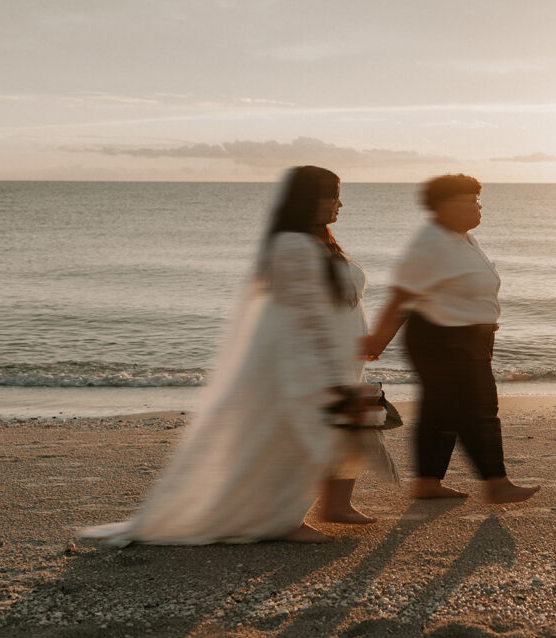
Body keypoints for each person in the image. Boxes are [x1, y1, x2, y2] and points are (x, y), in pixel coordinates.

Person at [80, 166, 392, 546]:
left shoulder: (317, 240)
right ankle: (283, 519)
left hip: (341, 355)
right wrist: (324, 369)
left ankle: (329, 507)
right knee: (299, 437)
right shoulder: (292, 245)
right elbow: (304, 317)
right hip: (309, 361)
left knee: (330, 433)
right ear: (308, 199)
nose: (339, 203)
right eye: (332, 194)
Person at [363, 174, 539, 504]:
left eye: (478, 200)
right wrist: (377, 341)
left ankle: (427, 483)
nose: (478, 207)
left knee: (440, 409)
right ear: (446, 206)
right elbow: (401, 296)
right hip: (442, 338)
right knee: (479, 408)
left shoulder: (463, 238)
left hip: (469, 337)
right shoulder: (431, 243)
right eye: (471, 201)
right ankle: (496, 482)